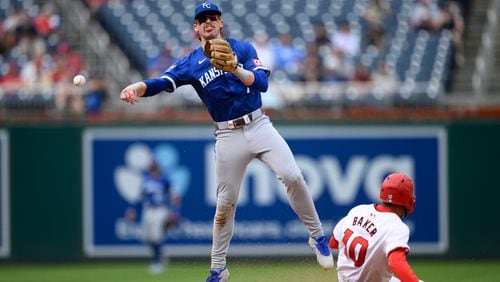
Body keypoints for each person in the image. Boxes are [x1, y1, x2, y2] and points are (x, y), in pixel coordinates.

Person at [119, 2, 333, 281]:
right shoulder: (191, 62)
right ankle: (218, 269)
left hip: (258, 124)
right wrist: (136, 87)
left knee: (292, 175)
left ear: (221, 23)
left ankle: (317, 236)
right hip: (227, 134)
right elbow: (162, 82)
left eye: (213, 17)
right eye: (202, 19)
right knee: (225, 204)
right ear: (195, 28)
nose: (208, 21)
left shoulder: (242, 48)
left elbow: (261, 83)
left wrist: (234, 68)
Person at [329, 173, 422, 282]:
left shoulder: (358, 210)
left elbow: (333, 243)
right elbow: (396, 263)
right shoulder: (398, 227)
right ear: (408, 199)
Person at [125, 161, 181, 274]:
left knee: (156, 236)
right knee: (147, 237)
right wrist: (132, 209)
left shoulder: (165, 180)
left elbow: (175, 196)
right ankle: (161, 255)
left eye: (155, 168)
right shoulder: (146, 181)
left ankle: (158, 262)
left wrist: (175, 212)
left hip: (160, 210)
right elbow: (140, 197)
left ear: (158, 169)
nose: (153, 171)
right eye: (152, 169)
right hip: (148, 210)